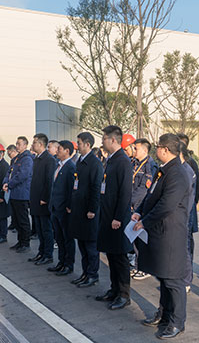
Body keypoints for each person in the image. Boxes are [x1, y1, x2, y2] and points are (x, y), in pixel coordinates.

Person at [132, 133, 192, 339]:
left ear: (165, 150)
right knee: (164, 277)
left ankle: (177, 322)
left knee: (174, 280)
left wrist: (145, 221)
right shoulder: (163, 170)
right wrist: (140, 212)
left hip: (171, 233)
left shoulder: (178, 173)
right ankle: (164, 314)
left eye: (157, 146)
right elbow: (150, 196)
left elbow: (167, 204)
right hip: (160, 231)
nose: (155, 149)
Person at [95, 125, 133, 311]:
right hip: (107, 215)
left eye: (104, 138)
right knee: (111, 255)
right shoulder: (111, 160)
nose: (102, 142)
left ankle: (124, 295)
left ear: (113, 140)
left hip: (117, 218)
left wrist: (118, 217)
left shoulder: (123, 161)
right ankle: (114, 289)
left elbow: (125, 192)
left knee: (119, 257)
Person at [68, 132, 103, 288]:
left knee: (90, 246)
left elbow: (96, 188)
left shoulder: (95, 163)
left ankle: (92, 275)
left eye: (80, 143)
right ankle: (85, 273)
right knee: (82, 244)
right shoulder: (80, 161)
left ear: (88, 144)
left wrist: (92, 209)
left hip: (88, 211)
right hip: (78, 209)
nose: (78, 146)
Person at [129, 138, 158, 281]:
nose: (134, 151)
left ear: (145, 150)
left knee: (142, 239)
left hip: (141, 207)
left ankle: (145, 268)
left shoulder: (150, 166)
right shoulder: (134, 163)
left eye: (136, 148)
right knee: (135, 239)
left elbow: (144, 190)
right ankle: (138, 265)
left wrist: (131, 202)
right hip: (132, 207)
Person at [48, 140, 76, 275]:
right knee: (59, 237)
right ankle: (61, 262)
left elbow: (71, 189)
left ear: (67, 151)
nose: (57, 151)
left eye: (59, 149)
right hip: (55, 207)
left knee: (67, 238)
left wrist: (69, 206)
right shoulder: (58, 165)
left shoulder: (70, 167)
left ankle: (68, 264)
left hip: (64, 209)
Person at [27, 133, 57, 265]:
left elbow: (49, 181)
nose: (32, 145)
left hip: (43, 201)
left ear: (40, 144)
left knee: (46, 229)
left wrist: (45, 198)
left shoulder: (49, 159)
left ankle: (48, 254)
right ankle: (41, 252)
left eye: (34, 142)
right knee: (39, 229)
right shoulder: (36, 159)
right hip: (35, 199)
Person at [3, 136, 34, 253]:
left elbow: (22, 175)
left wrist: (9, 184)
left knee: (23, 220)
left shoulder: (27, 159)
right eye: (16, 144)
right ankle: (20, 242)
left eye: (19, 144)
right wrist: (5, 182)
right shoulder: (16, 159)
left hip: (22, 194)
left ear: (25, 145)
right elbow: (9, 172)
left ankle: (25, 243)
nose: (17, 146)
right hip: (14, 193)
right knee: (16, 220)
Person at [179, 143, 197, 293]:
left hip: (185, 215)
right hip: (180, 215)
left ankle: (185, 281)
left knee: (185, 248)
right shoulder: (180, 169)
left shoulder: (186, 171)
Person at [6, 144, 18, 232]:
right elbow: (9, 173)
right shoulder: (12, 161)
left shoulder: (19, 160)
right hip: (10, 186)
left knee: (18, 211)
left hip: (16, 188)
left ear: (14, 152)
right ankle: (13, 223)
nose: (9, 155)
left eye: (9, 153)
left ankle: (17, 226)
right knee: (13, 209)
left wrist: (10, 184)